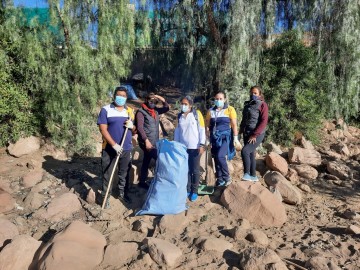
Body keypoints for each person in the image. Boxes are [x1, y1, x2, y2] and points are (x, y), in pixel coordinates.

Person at [97, 86, 136, 208]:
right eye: (119, 95)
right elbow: (103, 129)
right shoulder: (106, 110)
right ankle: (105, 197)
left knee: (124, 173)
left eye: (124, 96)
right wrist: (114, 145)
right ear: (114, 96)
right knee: (107, 173)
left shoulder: (129, 111)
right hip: (109, 149)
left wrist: (132, 126)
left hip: (126, 148)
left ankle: (122, 194)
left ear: (126, 97)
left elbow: (134, 131)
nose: (121, 98)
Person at [174, 96, 206, 202]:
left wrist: (202, 144)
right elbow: (178, 132)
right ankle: (187, 189)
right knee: (186, 170)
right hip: (183, 148)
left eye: (185, 104)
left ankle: (194, 191)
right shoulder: (180, 116)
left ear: (190, 105)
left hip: (195, 147)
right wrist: (176, 145)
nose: (183, 106)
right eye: (182, 103)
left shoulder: (197, 114)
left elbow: (202, 130)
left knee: (195, 170)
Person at [205, 91, 241, 187]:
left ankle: (227, 177)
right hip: (214, 138)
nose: (218, 100)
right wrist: (207, 137)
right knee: (216, 157)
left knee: (221, 156)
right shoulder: (211, 111)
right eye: (217, 99)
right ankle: (220, 179)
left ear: (224, 99)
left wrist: (236, 138)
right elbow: (207, 125)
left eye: (221, 99)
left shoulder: (230, 109)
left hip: (225, 137)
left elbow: (234, 125)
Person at [136, 92, 169, 189]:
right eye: (151, 101)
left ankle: (142, 182)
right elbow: (140, 128)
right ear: (146, 100)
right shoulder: (141, 112)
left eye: (155, 101)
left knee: (146, 160)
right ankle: (160, 181)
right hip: (146, 141)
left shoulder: (155, 111)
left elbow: (167, 107)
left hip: (154, 141)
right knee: (159, 159)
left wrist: (159, 97)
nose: (152, 103)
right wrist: (146, 141)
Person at [239, 85, 268, 181]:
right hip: (246, 132)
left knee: (245, 151)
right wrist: (240, 131)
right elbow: (244, 119)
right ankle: (253, 176)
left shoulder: (262, 105)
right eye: (251, 93)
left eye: (255, 93)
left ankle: (246, 174)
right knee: (251, 153)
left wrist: (255, 134)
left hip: (257, 134)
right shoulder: (247, 104)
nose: (253, 94)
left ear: (259, 94)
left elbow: (264, 121)